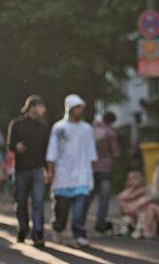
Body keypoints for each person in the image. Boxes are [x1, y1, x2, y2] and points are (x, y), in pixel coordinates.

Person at [46, 94, 97, 248]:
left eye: (81, 108)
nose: (80, 110)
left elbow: (91, 153)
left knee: (79, 212)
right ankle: (58, 229)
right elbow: (52, 152)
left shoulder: (87, 129)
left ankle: (80, 235)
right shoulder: (58, 128)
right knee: (61, 212)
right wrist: (50, 172)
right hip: (63, 176)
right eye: (77, 108)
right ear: (70, 109)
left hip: (82, 176)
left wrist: (91, 174)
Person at [6, 95, 49, 246]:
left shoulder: (43, 127)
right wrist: (16, 146)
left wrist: (47, 170)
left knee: (38, 202)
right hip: (21, 170)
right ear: (33, 107)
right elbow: (10, 144)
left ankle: (38, 234)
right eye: (41, 106)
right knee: (21, 202)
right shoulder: (17, 124)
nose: (43, 110)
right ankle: (22, 229)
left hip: (37, 169)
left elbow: (46, 151)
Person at [91, 111, 120, 235]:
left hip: (91, 168)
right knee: (104, 198)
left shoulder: (92, 129)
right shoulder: (110, 132)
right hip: (106, 170)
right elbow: (115, 152)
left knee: (87, 197)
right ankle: (100, 224)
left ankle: (79, 223)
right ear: (111, 121)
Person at [117, 171, 159, 238]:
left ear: (139, 179)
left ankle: (146, 231)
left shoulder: (144, 189)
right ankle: (135, 230)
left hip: (142, 214)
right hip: (132, 214)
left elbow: (146, 198)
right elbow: (120, 198)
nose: (133, 180)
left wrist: (134, 203)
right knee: (130, 212)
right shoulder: (128, 191)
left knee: (146, 208)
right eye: (130, 179)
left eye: (135, 178)